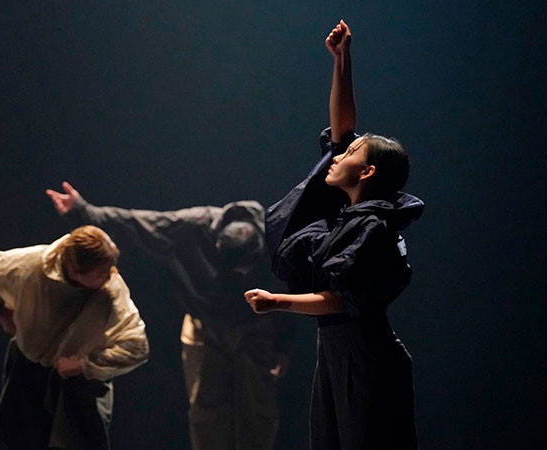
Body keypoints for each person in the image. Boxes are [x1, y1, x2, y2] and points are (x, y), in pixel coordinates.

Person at [244, 20, 423, 450]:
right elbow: (343, 128)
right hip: (338, 352)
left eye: (350, 154)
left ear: (367, 172)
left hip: (366, 358)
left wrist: (277, 302)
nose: (337, 155)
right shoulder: (352, 211)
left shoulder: (373, 227)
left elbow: (343, 299)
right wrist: (342, 60)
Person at [46, 183, 294, 450]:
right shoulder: (191, 228)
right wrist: (84, 211)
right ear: (218, 244)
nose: (241, 275)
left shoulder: (275, 236)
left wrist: (283, 346)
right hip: (204, 326)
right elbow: (137, 223)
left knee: (258, 408)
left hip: (254, 327)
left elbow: (289, 289)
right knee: (206, 407)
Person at [0, 225, 149, 450]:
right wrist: (1, 313)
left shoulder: (111, 288)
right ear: (74, 269)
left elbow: (137, 346)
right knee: (26, 440)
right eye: (101, 273)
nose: (110, 277)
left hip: (78, 383)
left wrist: (83, 365)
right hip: (29, 370)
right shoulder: (29, 265)